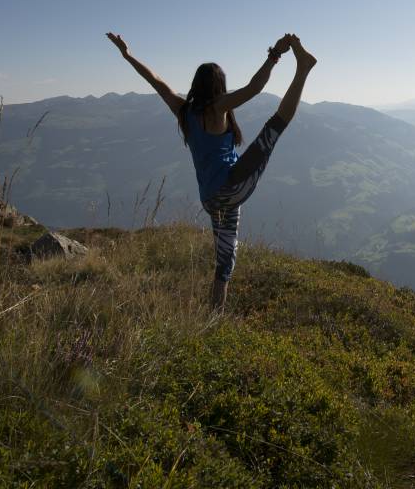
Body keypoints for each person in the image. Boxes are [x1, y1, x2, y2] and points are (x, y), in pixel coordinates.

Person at [106, 31, 316, 311]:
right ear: (219, 86)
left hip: (212, 201)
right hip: (231, 187)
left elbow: (155, 81)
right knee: (274, 127)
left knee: (224, 261)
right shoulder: (218, 108)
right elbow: (254, 88)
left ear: (196, 85)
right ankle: (303, 70)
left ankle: (213, 317)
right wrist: (274, 56)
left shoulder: (183, 111)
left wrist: (127, 55)